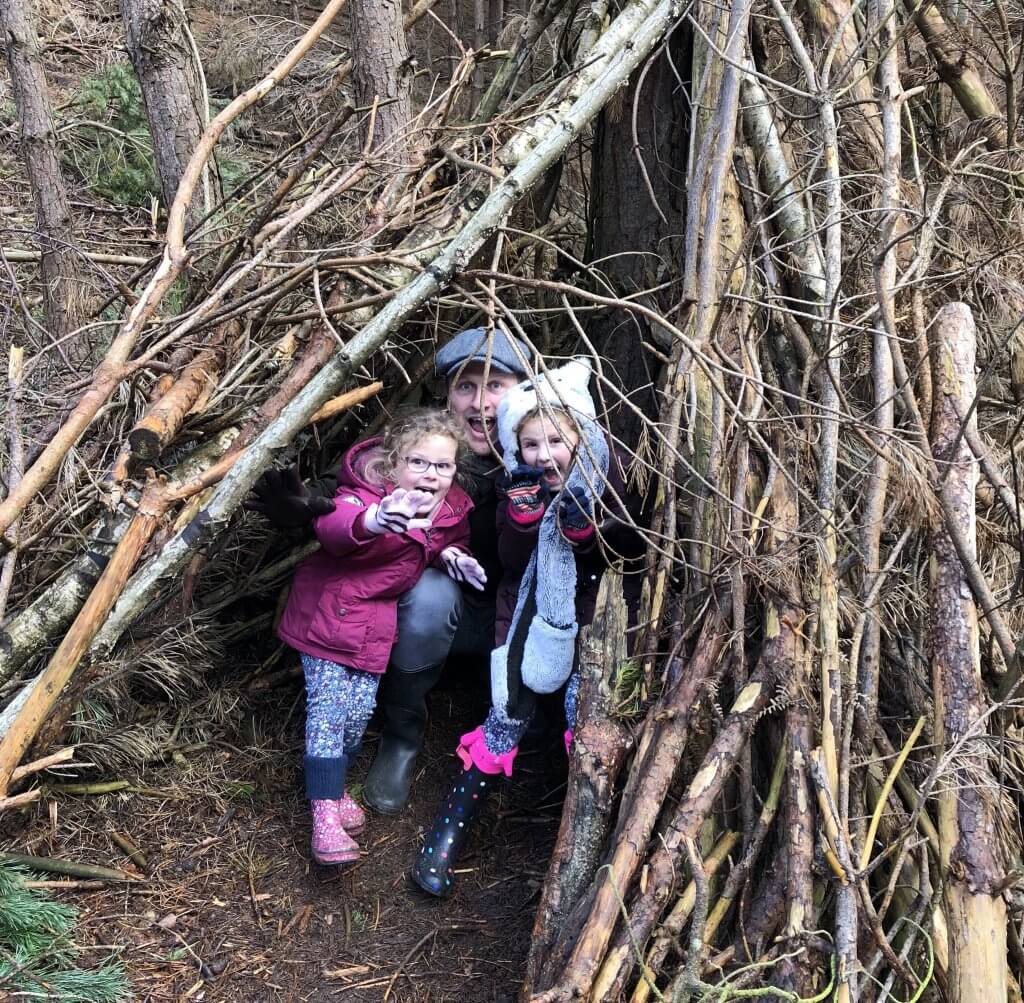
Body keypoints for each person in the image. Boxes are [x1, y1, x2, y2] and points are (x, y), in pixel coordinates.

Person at [247, 327, 532, 814]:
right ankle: (403, 731)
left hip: (511, 624)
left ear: (521, 392)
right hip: (437, 619)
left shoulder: (541, 450)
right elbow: (354, 495)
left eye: (495, 385)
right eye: (466, 386)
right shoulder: (419, 458)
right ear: (446, 396)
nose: (480, 402)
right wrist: (305, 512)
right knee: (431, 594)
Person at [409, 358, 646, 898]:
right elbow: (506, 562)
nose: (544, 456)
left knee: (581, 715)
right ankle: (445, 835)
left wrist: (591, 535)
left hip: (595, 621)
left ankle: (592, 839)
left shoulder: (613, 473)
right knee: (505, 715)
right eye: (532, 445)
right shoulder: (519, 484)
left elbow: (631, 550)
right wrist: (522, 522)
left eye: (556, 442)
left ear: (582, 436)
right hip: (522, 613)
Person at [277, 409, 487, 864]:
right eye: (418, 462)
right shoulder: (365, 494)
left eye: (443, 465)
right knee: (329, 719)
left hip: (372, 629)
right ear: (393, 465)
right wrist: (375, 521)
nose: (431, 474)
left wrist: (452, 555)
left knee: (355, 717)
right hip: (332, 618)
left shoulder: (450, 510)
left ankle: (333, 789)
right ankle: (324, 814)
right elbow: (334, 528)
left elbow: (439, 545)